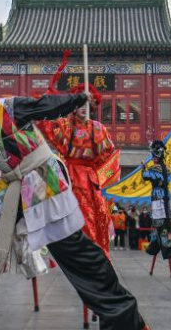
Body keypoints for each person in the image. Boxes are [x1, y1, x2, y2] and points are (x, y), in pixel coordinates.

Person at [0, 67, 146, 330]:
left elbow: (45, 106)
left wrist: (76, 99)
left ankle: (124, 317)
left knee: (75, 251)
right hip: (8, 185)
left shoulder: (10, 108)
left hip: (40, 181)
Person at [38, 83, 119, 258]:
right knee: (73, 217)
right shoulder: (65, 126)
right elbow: (44, 123)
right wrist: (50, 100)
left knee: (96, 216)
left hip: (90, 180)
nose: (84, 108)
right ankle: (79, 253)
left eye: (87, 105)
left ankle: (95, 253)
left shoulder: (98, 128)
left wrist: (97, 169)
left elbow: (108, 155)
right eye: (80, 104)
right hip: (69, 177)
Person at [142, 139, 171, 261]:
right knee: (167, 224)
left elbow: (145, 176)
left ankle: (158, 247)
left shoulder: (154, 168)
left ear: (155, 156)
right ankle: (167, 248)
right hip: (166, 196)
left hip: (158, 197)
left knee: (158, 224)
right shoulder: (166, 168)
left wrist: (143, 168)